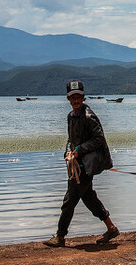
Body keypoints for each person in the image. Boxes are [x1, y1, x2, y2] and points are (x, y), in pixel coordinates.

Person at [45, 79, 120, 248]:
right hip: (77, 166)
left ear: (83, 97)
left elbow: (99, 139)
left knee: (69, 201)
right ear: (68, 99)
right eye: (73, 98)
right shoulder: (71, 116)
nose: (76, 100)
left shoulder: (89, 116)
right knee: (88, 198)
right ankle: (111, 228)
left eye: (78, 97)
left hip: (86, 167)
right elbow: (71, 140)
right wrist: (69, 152)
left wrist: (79, 150)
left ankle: (60, 237)